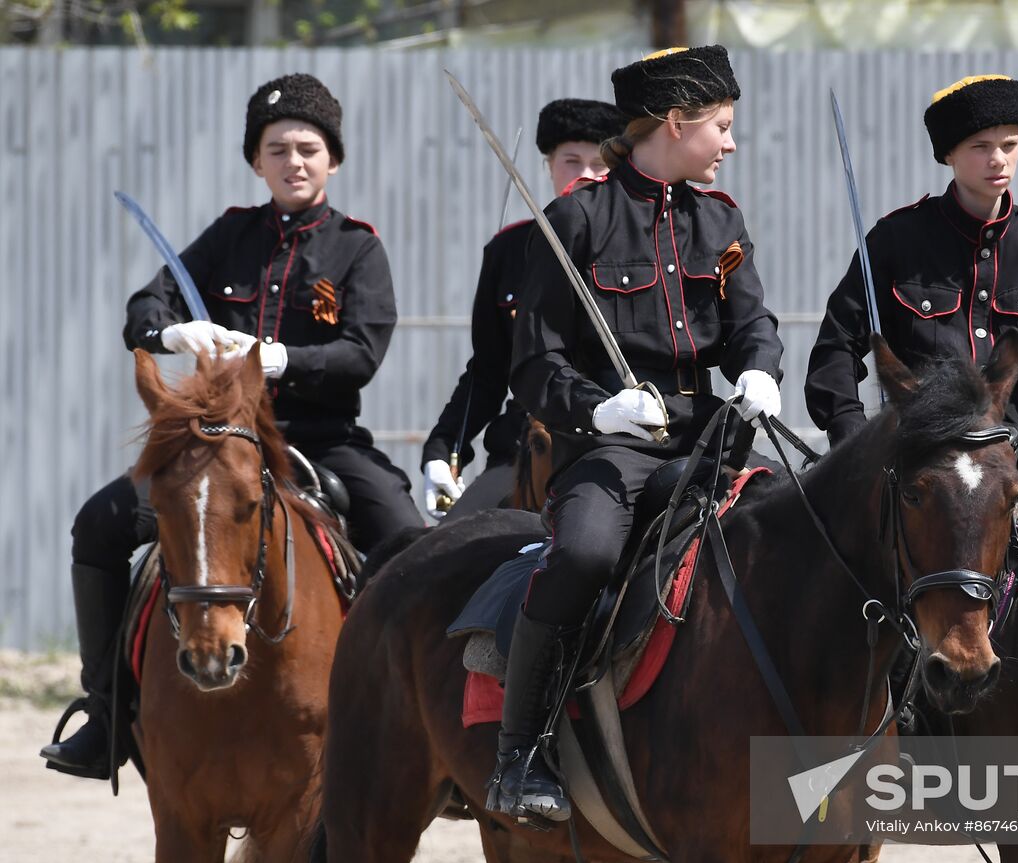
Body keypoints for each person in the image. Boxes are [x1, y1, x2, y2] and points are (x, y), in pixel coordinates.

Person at [40, 73, 422, 780]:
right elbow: (143, 307)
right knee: (97, 524)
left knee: (407, 536)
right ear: (257, 162)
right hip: (216, 441)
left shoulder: (357, 250)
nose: (293, 162)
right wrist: (174, 334)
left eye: (308, 148)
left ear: (332, 159)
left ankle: (409, 721)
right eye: (277, 149)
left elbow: (361, 353)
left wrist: (277, 358)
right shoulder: (228, 235)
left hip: (318, 434)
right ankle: (106, 710)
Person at [487, 46, 784, 823]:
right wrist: (598, 409)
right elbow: (534, 363)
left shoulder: (720, 219)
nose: (727, 143)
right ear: (676, 123)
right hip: (609, 448)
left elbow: (752, 323)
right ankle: (521, 755)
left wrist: (759, 370)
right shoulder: (575, 220)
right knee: (583, 552)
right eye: (719, 127)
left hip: (707, 440)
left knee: (799, 530)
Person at [805, 74, 1018, 448]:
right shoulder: (896, 240)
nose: (998, 159)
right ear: (949, 154)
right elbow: (836, 347)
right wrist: (852, 432)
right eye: (980, 146)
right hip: (924, 441)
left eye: (1009, 144)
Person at [422, 98, 627, 518]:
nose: (586, 174)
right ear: (549, 165)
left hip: (618, 442)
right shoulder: (508, 251)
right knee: (444, 550)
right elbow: (488, 371)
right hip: (524, 443)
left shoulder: (644, 246)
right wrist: (444, 447)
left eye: (600, 163)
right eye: (571, 160)